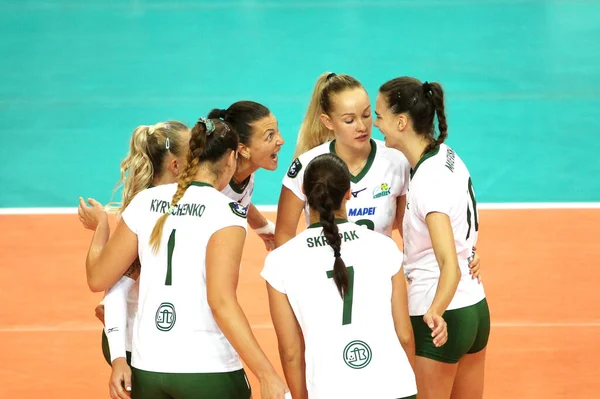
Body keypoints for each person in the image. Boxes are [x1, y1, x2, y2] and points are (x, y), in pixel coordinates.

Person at [83, 118, 288, 399]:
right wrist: (267, 373)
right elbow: (222, 302)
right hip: (207, 368)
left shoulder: (145, 202)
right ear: (230, 159)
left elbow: (99, 279)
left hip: (148, 369)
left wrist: (102, 227)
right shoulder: (226, 213)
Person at [262, 153, 442, 398]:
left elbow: (291, 352)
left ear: (304, 190)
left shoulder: (279, 262)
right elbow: (404, 334)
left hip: (330, 390)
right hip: (394, 386)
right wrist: (407, 383)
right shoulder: (385, 248)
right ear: (349, 192)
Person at [374, 77, 490, 399]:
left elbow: (447, 265)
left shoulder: (427, 182)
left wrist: (435, 311)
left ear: (401, 122)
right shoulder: (446, 155)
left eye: (379, 116)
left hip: (442, 312)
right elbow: (459, 226)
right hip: (475, 308)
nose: (376, 125)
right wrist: (471, 251)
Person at [78, 121, 190, 397]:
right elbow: (113, 288)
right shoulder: (145, 211)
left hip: (158, 336)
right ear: (175, 165)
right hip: (131, 344)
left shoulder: (188, 202)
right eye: (195, 152)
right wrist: (119, 359)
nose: (202, 156)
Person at [275, 72, 410, 248]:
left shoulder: (397, 161)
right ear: (328, 122)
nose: (361, 127)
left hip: (378, 275)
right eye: (349, 120)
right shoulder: (306, 166)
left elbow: (407, 232)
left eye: (367, 115)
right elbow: (284, 235)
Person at [210, 101, 285, 251]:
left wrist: (263, 227)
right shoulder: (212, 187)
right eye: (270, 136)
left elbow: (235, 200)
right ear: (243, 149)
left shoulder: (243, 169)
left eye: (277, 131)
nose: (281, 141)